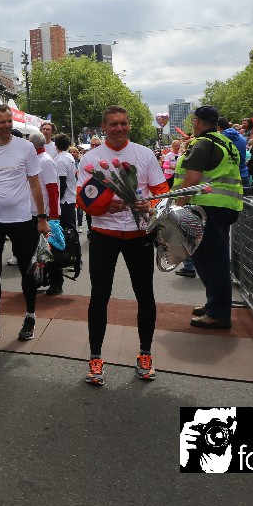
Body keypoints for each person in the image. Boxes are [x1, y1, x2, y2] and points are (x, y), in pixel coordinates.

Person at [76, 106, 168, 386]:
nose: (119, 128)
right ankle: (95, 359)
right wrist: (104, 206)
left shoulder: (144, 154)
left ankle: (145, 354)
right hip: (104, 234)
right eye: (113, 124)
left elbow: (162, 192)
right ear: (104, 127)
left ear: (129, 125)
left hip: (138, 234)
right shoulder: (91, 159)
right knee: (99, 296)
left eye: (123, 123)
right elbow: (82, 199)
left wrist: (149, 205)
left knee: (145, 295)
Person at [0, 104, 50, 349]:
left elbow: (35, 183)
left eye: (9, 121)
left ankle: (30, 317)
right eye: (2, 122)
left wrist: (42, 217)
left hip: (22, 219)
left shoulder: (26, 147)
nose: (7, 125)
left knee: (27, 271)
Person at [174, 106, 244, 330]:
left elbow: (192, 178)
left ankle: (218, 313)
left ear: (196, 122)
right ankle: (215, 304)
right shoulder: (226, 141)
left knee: (211, 261)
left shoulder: (203, 143)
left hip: (208, 207)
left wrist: (177, 207)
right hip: (225, 206)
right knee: (213, 259)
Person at [29, 132, 64, 295]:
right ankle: (42, 279)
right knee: (38, 250)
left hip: (46, 214)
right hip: (34, 212)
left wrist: (54, 216)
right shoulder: (35, 160)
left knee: (51, 250)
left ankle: (56, 282)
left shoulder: (46, 161)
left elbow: (53, 190)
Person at [54, 133, 78, 232]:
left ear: (56, 145)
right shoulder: (68, 157)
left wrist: (57, 200)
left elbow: (62, 183)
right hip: (70, 197)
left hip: (65, 200)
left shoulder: (61, 159)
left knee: (67, 230)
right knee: (70, 228)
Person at [218, 117, 251, 188]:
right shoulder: (241, 137)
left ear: (218, 128)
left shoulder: (219, 140)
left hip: (228, 177)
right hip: (243, 174)